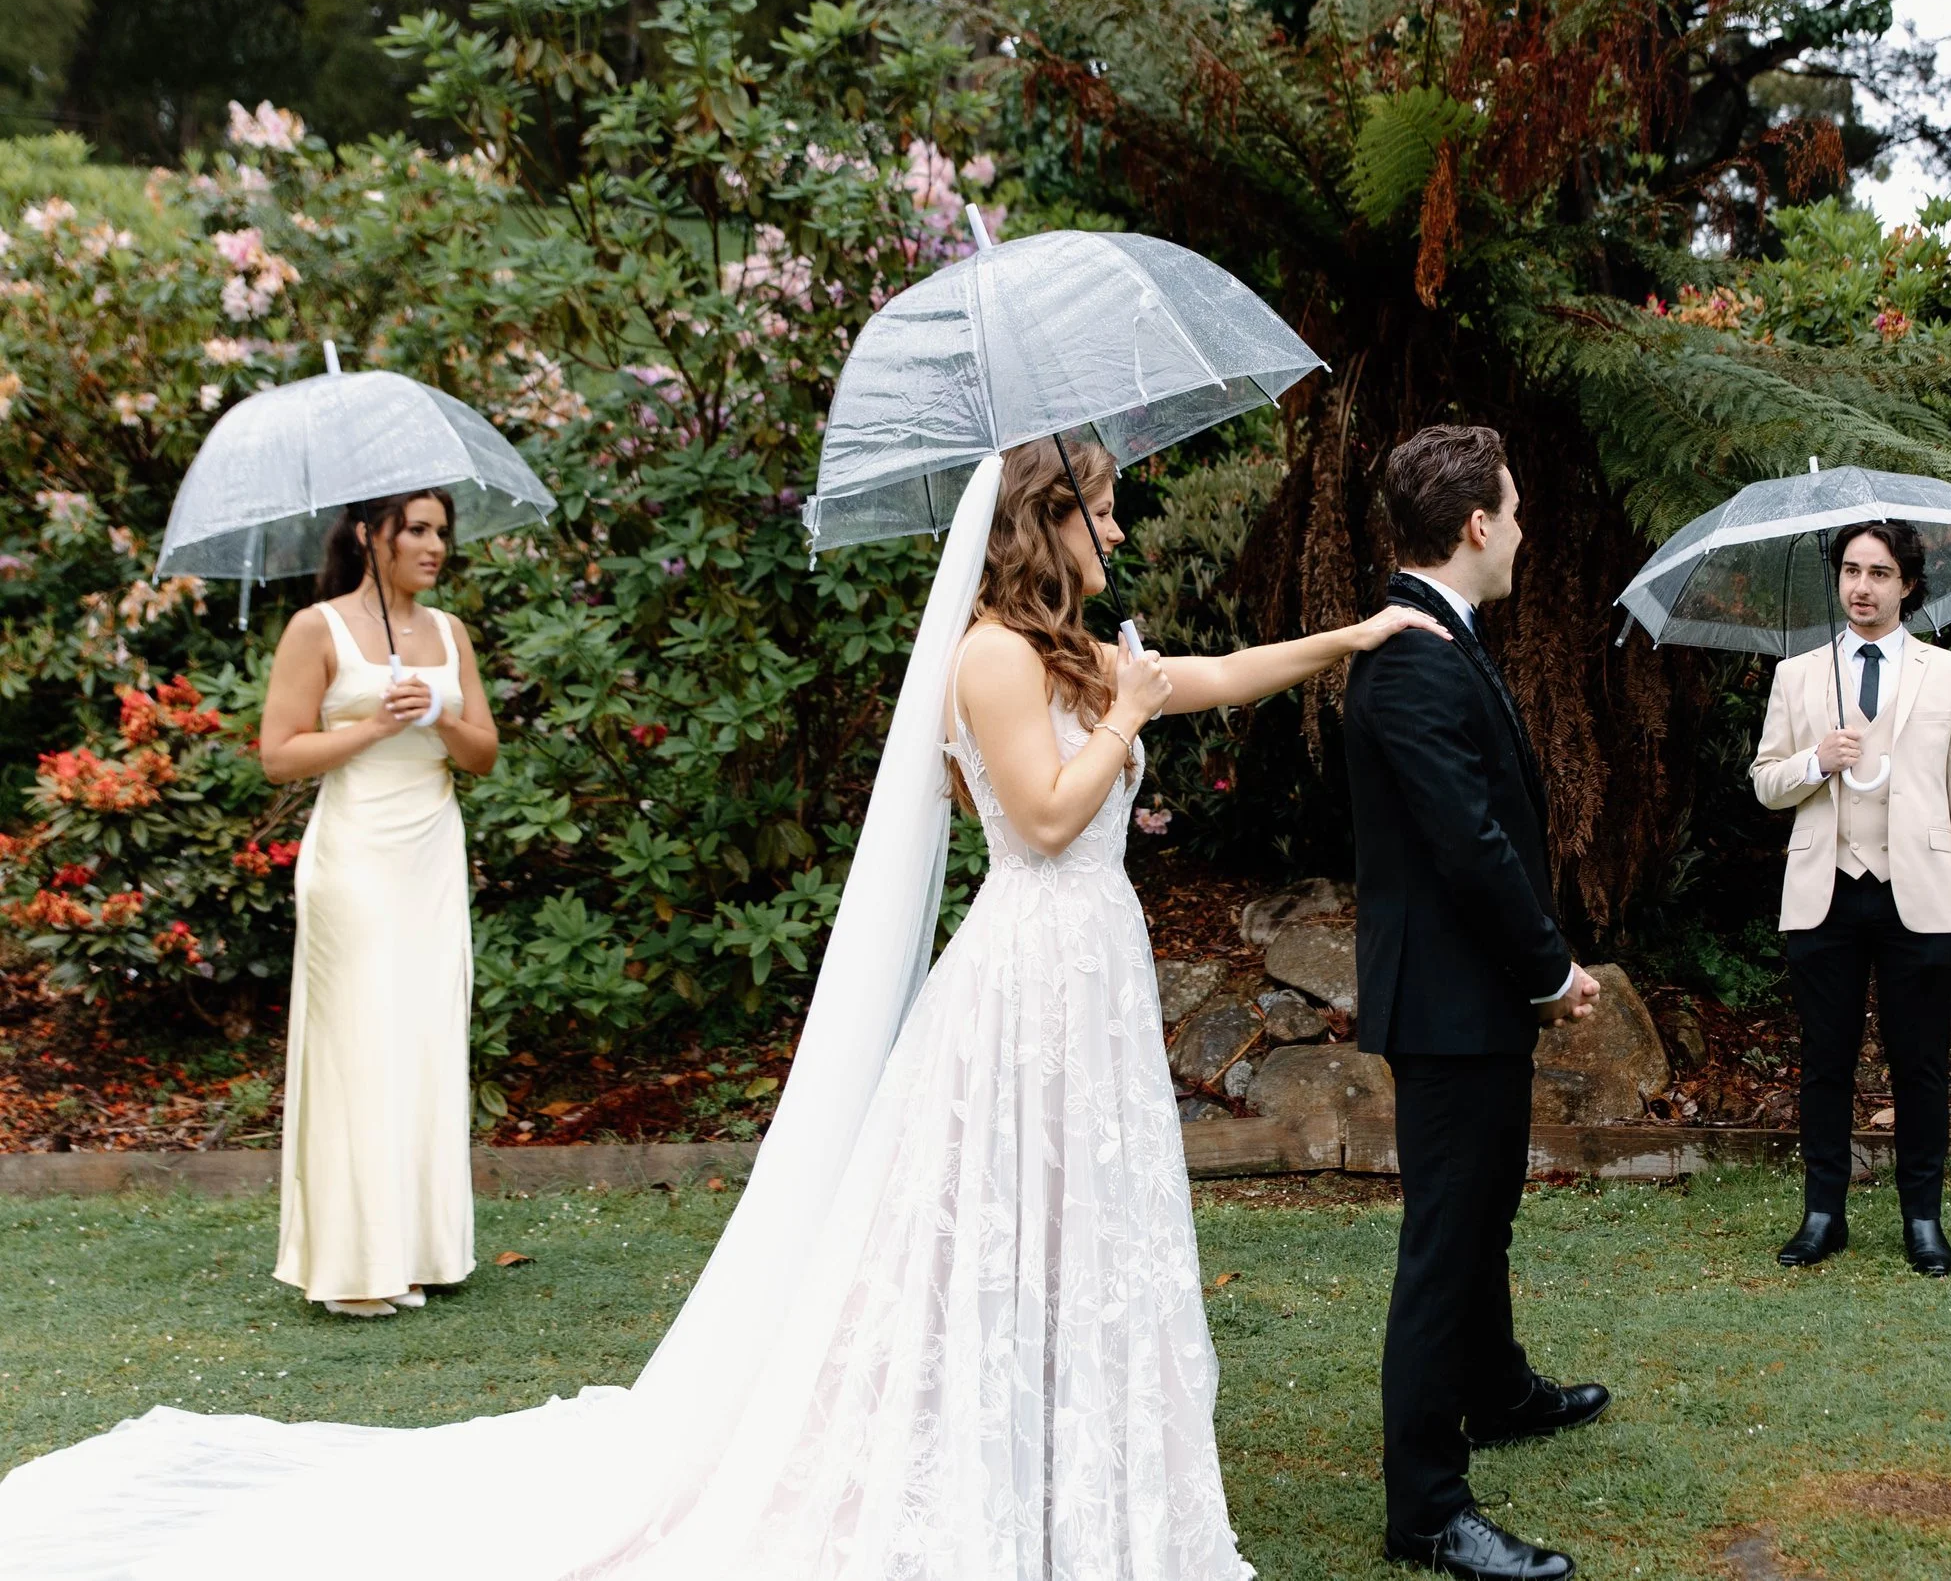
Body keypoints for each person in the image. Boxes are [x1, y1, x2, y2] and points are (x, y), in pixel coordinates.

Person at [0, 440, 1443, 1578]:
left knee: (1083, 1233)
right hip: (1024, 976)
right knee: (997, 1230)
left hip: (1092, 979)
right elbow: (1053, 817)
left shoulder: (1076, 653)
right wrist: (1125, 714)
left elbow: (1217, 674)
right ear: (1043, 522)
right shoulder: (994, 657)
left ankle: (1066, 1453)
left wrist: (1353, 637)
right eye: (1103, 513)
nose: (1118, 536)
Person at [1342, 424, 1609, 1581]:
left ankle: (1494, 1388)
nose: (1524, 527)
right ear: (1475, 526)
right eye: (1516, 505)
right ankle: (1427, 1508)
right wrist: (1550, 968)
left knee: (1485, 1203)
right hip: (1451, 1001)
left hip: (1469, 997)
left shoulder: (1440, 634)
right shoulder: (1410, 656)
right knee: (1445, 1243)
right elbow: (1470, 844)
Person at [259, 489, 498, 1319]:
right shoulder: (314, 629)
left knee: (426, 1041)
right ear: (371, 535)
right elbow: (279, 756)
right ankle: (357, 1266)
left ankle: (421, 1250)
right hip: (355, 855)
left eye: (442, 532)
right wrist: (371, 724)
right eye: (418, 530)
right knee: (360, 1043)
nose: (435, 545)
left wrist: (437, 710)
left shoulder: (448, 633)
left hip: (430, 853)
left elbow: (485, 754)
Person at [1749, 519, 1951, 1277]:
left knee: (1919, 1064)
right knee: (1824, 1063)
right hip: (1824, 892)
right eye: (1851, 570)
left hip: (1917, 894)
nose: (1861, 586)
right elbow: (1764, 782)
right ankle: (1823, 1214)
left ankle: (1923, 1218)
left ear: (1908, 584)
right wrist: (1815, 760)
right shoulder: (1798, 674)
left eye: (1879, 573)